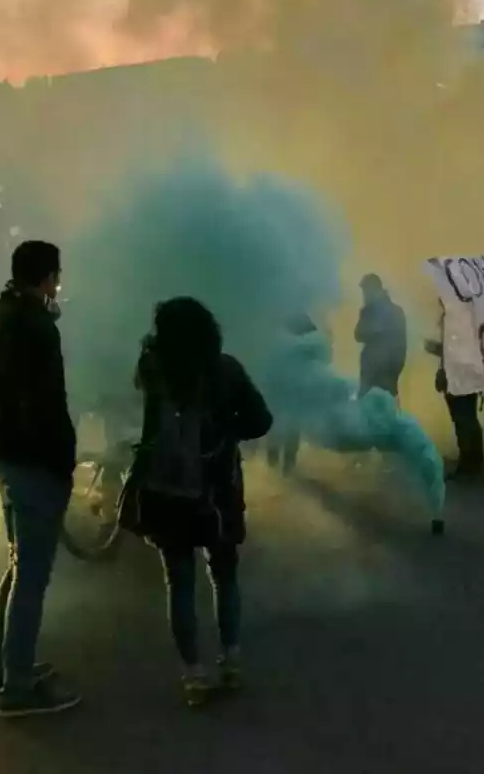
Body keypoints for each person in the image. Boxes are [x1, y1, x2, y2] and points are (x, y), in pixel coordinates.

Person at [128, 297, 273, 706]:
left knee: (179, 583)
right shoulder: (226, 370)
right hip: (218, 491)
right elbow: (261, 421)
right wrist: (228, 431)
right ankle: (231, 661)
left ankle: (194, 675)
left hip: (164, 492)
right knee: (224, 575)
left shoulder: (152, 371)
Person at [0, 239, 80, 718]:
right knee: (31, 577)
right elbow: (46, 405)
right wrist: (63, 462)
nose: (58, 283)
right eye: (56, 275)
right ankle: (18, 687)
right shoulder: (34, 326)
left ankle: (6, 664)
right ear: (46, 276)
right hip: (35, 462)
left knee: (20, 568)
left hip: (5, 457)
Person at [425, 305, 483, 480]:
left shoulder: (457, 321)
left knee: (464, 420)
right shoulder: (466, 318)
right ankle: (472, 463)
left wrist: (434, 348)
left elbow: (454, 351)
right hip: (462, 376)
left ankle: (469, 466)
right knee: (466, 419)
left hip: (459, 376)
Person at [265, 313, 316, 476]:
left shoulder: (285, 314)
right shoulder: (285, 315)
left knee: (288, 421)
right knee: (284, 420)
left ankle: (282, 461)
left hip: (292, 382)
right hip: (285, 381)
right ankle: (281, 461)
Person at [355, 273, 407, 401]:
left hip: (385, 378)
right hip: (370, 378)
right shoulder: (369, 312)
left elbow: (401, 347)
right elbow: (357, 335)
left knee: (382, 414)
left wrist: (392, 374)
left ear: (374, 289)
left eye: (366, 290)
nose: (364, 295)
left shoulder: (394, 312)